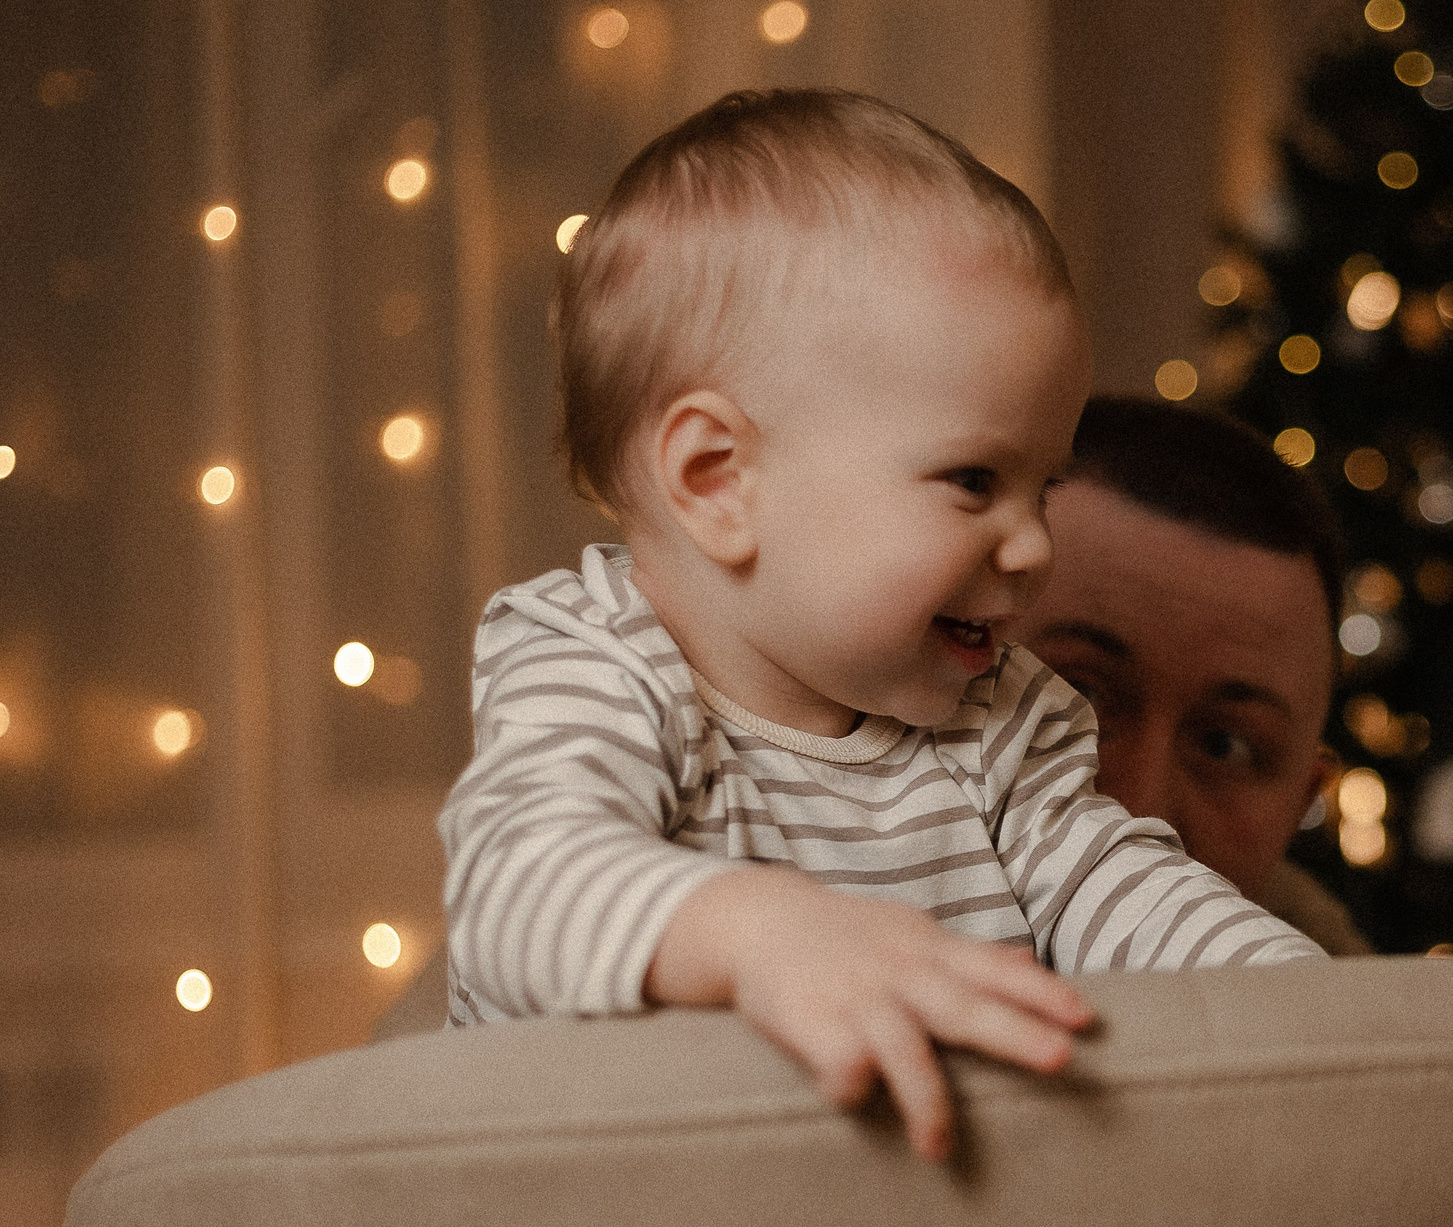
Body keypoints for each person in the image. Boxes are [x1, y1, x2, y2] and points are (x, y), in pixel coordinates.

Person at [437, 90, 1319, 1161]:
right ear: (719, 480)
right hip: (603, 1225)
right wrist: (765, 935)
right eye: (973, 480)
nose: (1036, 547)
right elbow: (518, 884)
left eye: (1041, 489)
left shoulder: (1002, 719)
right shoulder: (594, 658)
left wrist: (1315, 1016)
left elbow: (1123, 892)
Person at [1028, 396, 1371, 956]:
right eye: (1077, 693)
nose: (1143, 807)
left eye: (1225, 745)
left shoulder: (1363, 1026)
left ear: (1297, 806)